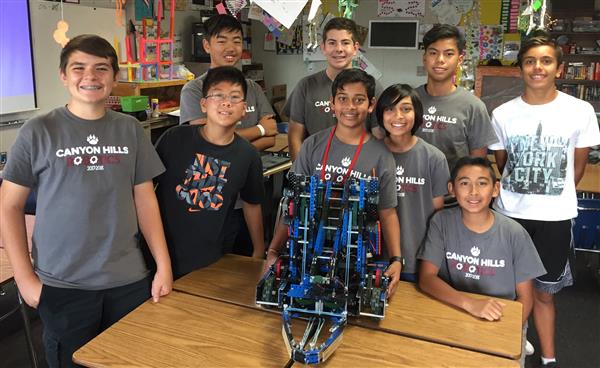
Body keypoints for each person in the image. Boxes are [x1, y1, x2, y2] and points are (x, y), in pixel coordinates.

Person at [0, 34, 172, 367]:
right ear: (63, 75)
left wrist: (162, 266)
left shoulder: (130, 130)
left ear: (115, 77)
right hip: (63, 287)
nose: (90, 77)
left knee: (129, 361)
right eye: (78, 68)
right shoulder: (38, 131)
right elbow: (8, 206)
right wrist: (25, 281)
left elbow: (145, 200)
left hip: (128, 281)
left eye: (101, 68)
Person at [488, 32, 600, 368]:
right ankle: (513, 345)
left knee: (544, 293)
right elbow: (503, 164)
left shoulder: (579, 111)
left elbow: (577, 170)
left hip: (554, 217)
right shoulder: (503, 113)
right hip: (510, 216)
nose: (538, 67)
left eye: (546, 60)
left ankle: (549, 358)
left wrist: (547, 192)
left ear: (558, 67)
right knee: (508, 292)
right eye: (530, 61)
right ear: (521, 67)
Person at [266, 69, 403, 295]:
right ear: (332, 103)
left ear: (371, 105)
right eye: (342, 99)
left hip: (354, 259)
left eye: (359, 100)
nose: (350, 107)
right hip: (309, 254)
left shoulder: (381, 155)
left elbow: (387, 212)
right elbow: (292, 202)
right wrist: (273, 250)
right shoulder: (312, 145)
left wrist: (397, 259)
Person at [418, 157, 546, 367]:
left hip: (500, 317)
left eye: (482, 183)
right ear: (451, 188)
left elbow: (525, 297)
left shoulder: (514, 233)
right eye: (464, 183)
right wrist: (471, 305)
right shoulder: (441, 221)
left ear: (496, 189)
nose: (474, 191)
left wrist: (506, 332)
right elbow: (426, 278)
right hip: (455, 308)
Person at [155, 66, 265, 279]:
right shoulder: (174, 138)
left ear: (244, 109)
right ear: (203, 104)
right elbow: (145, 189)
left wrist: (259, 250)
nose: (226, 102)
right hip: (161, 252)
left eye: (235, 97)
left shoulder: (248, 155)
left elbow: (252, 204)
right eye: (218, 95)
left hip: (210, 257)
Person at [376, 84, 449, 281]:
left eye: (406, 109)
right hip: (374, 257)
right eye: (390, 109)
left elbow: (437, 216)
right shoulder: (371, 154)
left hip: (418, 259)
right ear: (381, 114)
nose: (398, 116)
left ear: (416, 113)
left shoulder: (434, 158)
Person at [285, 17, 380, 160]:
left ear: (355, 48)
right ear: (323, 47)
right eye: (332, 43)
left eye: (345, 43)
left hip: (357, 169)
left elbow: (378, 134)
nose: (339, 49)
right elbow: (294, 136)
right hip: (315, 171)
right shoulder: (306, 86)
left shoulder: (372, 86)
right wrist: (300, 175)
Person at [179, 14, 277, 151]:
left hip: (252, 168)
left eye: (237, 41)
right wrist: (260, 129)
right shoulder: (194, 89)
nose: (231, 48)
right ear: (207, 46)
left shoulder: (253, 87)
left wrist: (234, 152)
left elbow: (271, 135)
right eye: (222, 41)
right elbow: (207, 140)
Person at [415, 24, 498, 171]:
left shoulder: (473, 106)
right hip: (409, 191)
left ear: (459, 60)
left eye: (448, 54)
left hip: (452, 192)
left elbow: (477, 165)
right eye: (433, 53)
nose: (440, 60)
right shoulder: (409, 101)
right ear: (424, 58)